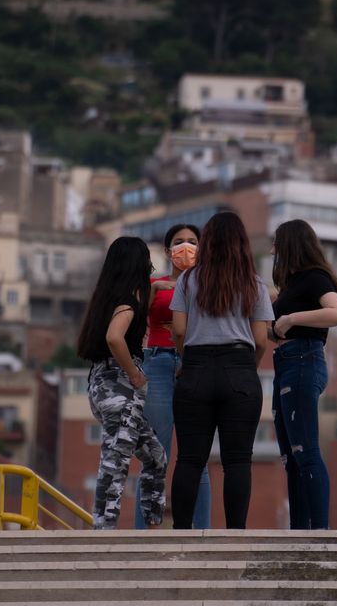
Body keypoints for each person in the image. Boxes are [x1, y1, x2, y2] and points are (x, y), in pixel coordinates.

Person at [170, 210, 273, 529]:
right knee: (238, 460)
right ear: (242, 244)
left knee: (189, 458)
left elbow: (177, 329)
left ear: (208, 243)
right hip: (239, 368)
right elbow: (260, 339)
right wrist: (248, 369)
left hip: (196, 368)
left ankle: (181, 532)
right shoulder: (254, 283)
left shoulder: (188, 279)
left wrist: (185, 360)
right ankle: (235, 534)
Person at [77, 235, 166, 529]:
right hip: (119, 386)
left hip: (101, 383)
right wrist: (135, 374)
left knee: (154, 456)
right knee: (116, 460)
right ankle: (103, 530)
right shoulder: (127, 302)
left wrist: (160, 288)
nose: (150, 267)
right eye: (147, 262)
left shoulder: (110, 297)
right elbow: (115, 337)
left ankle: (152, 521)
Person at [133, 223, 212, 530]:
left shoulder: (209, 286)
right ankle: (141, 534)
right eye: (179, 242)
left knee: (198, 459)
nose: (186, 247)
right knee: (155, 457)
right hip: (159, 363)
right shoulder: (154, 284)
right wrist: (152, 291)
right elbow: (131, 321)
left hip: (196, 364)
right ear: (167, 251)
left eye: (193, 242)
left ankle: (202, 531)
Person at [270, 218, 337, 530]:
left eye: (277, 243)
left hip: (303, 360)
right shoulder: (291, 286)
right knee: (292, 456)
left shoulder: (314, 278)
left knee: (306, 451)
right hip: (287, 362)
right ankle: (300, 530)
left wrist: (289, 319)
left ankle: (319, 530)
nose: (273, 250)